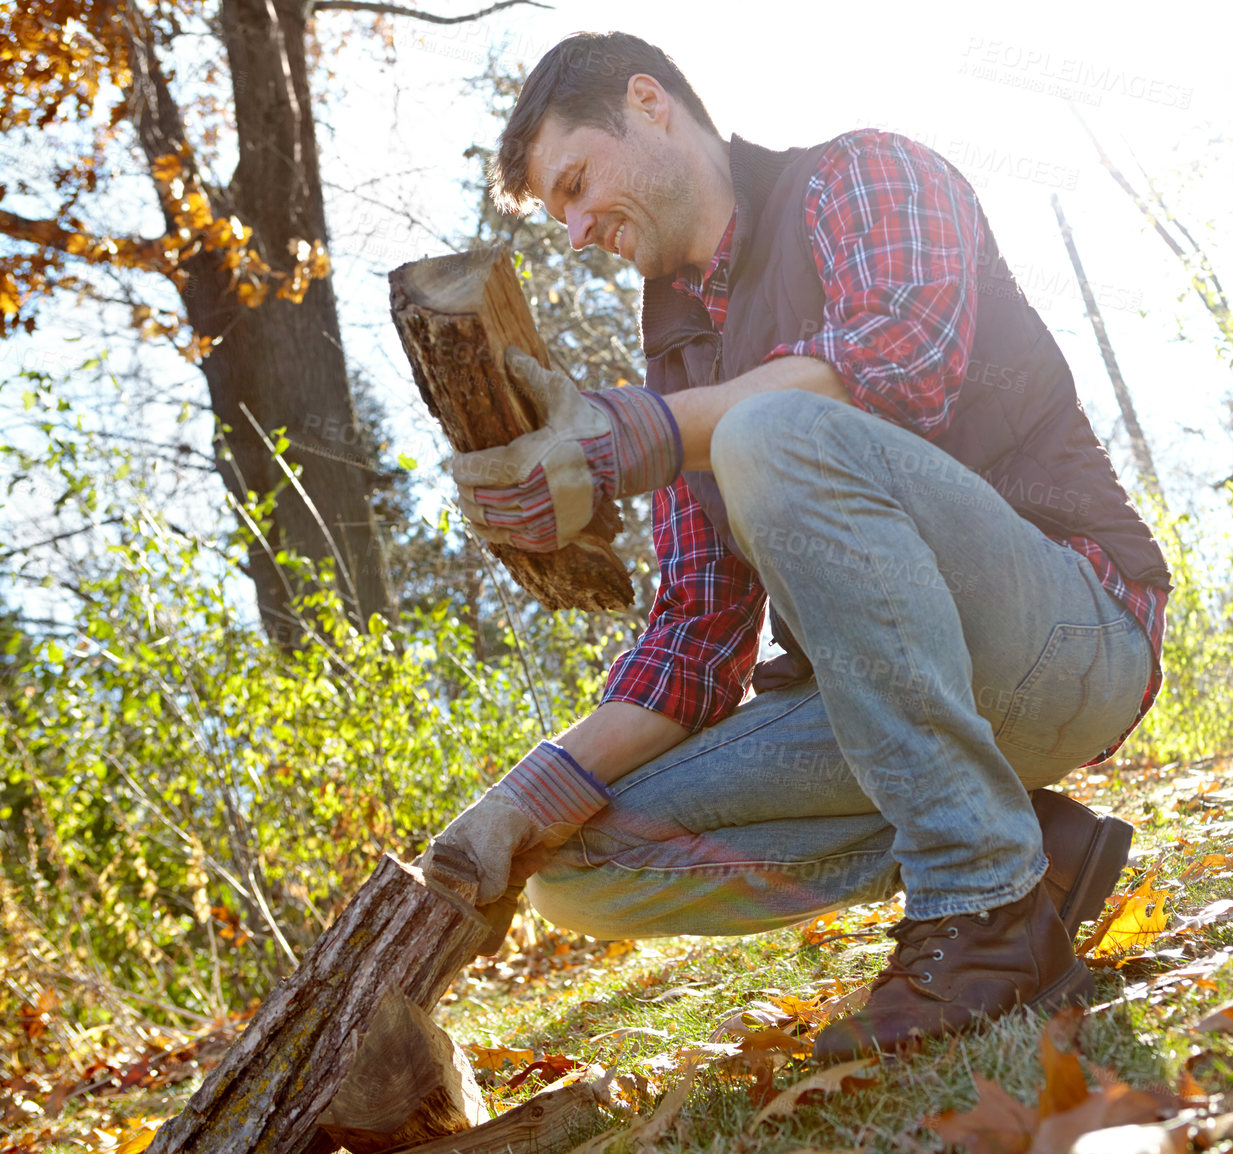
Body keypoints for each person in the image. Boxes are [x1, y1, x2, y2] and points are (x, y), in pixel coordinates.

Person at [424, 31, 1172, 1062]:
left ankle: (982, 902)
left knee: (768, 429)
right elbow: (694, 639)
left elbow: (901, 361)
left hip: (1066, 632)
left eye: (577, 183)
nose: (578, 229)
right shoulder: (678, 349)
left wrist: (641, 432)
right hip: (881, 700)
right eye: (557, 213)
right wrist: (514, 804)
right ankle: (1035, 854)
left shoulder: (860, 174)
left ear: (650, 103)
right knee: (574, 866)